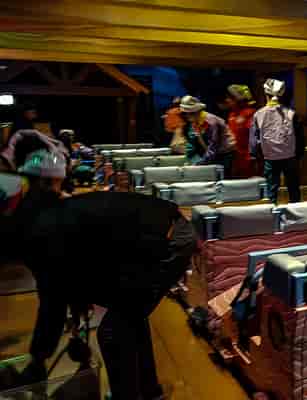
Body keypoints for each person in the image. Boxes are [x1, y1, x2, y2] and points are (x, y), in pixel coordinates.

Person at [5, 147, 195, 400]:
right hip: (163, 234)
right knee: (129, 316)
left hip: (168, 240)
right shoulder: (53, 217)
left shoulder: (38, 231)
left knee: (113, 331)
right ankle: (150, 392)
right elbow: (73, 275)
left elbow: (52, 302)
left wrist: (38, 359)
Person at [250, 79, 305, 204]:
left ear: (266, 95)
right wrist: (299, 155)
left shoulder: (258, 114)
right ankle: (297, 212)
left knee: (271, 190)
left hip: (269, 158)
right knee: (293, 188)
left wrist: (256, 155)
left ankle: (271, 212)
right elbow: (300, 137)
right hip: (290, 157)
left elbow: (254, 141)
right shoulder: (292, 113)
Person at [180, 95, 236, 177]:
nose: (187, 116)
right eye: (185, 114)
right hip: (212, 153)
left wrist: (200, 163)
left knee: (223, 178)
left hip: (225, 153)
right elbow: (192, 144)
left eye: (189, 113)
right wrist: (192, 160)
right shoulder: (194, 122)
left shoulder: (211, 122)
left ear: (196, 111)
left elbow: (213, 146)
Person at [225, 85, 260, 178]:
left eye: (230, 98)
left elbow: (255, 137)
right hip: (234, 159)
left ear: (237, 99)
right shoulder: (231, 115)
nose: (227, 100)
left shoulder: (250, 114)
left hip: (248, 160)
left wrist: (252, 157)